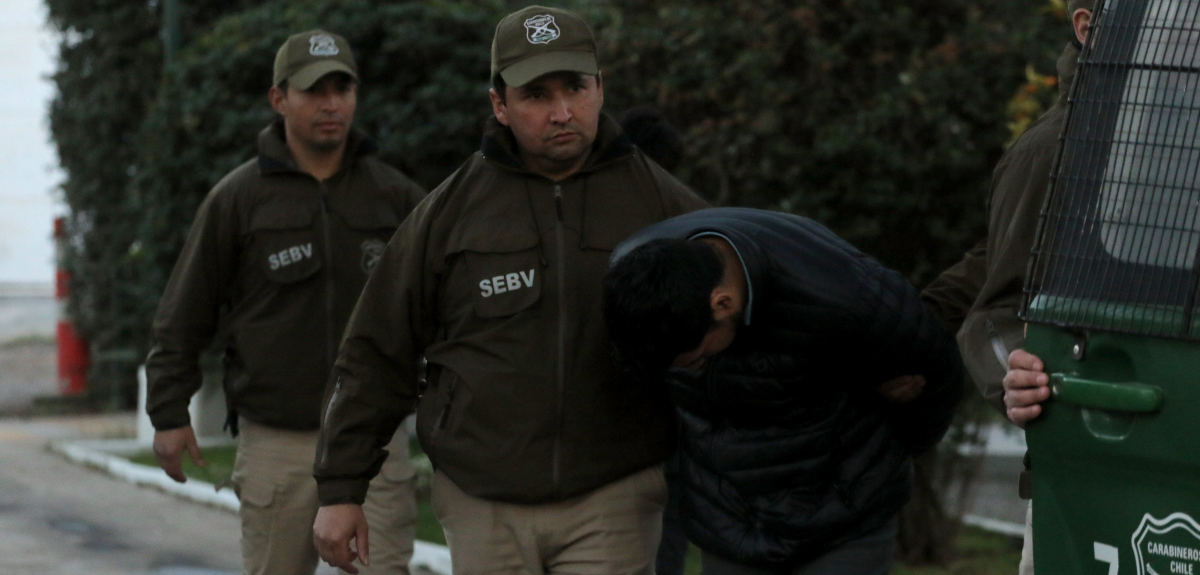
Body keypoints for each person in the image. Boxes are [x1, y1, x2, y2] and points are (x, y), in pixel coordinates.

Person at [310, 6, 709, 575]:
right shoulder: (447, 216)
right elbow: (377, 350)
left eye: (576, 86)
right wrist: (342, 488)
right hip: (481, 498)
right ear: (500, 104)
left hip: (614, 493)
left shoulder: (663, 207)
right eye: (536, 94)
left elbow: (734, 314)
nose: (562, 112)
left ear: (601, 87)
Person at [144, 29, 426, 575]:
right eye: (314, 89)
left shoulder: (396, 198)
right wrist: (168, 411)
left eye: (342, 88)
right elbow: (185, 311)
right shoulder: (237, 199)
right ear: (279, 99)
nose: (330, 103)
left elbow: (441, 310)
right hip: (277, 442)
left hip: (375, 442)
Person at [602, 207, 964, 574]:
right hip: (726, 518)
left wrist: (880, 460)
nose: (679, 372)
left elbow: (936, 371)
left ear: (722, 304)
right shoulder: (635, 271)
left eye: (690, 361)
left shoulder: (845, 292)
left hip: (842, 520)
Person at [920, 3, 1093, 573]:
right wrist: (1014, 376)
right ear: (1087, 27)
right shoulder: (1051, 151)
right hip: (1089, 470)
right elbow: (996, 304)